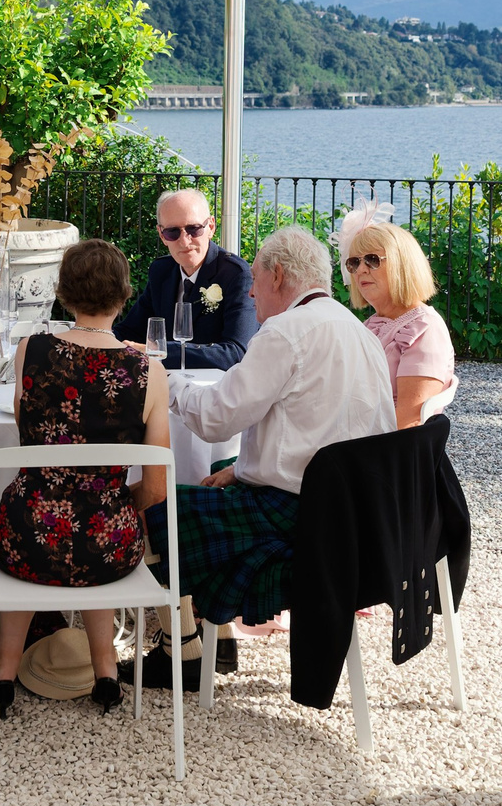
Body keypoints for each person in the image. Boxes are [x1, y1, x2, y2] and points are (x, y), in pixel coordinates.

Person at [138, 225, 388, 688]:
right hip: (355, 516)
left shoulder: (285, 333)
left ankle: (183, 650)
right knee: (215, 472)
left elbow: (215, 419)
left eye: (255, 279)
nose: (250, 291)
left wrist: (161, 378)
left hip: (299, 518)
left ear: (276, 275)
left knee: (152, 504)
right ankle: (216, 637)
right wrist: (240, 469)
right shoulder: (359, 331)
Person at [0, 240, 171, 718]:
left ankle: (4, 673)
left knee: (36, 516)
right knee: (97, 521)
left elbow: (25, 429)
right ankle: (105, 672)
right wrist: (109, 500)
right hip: (105, 546)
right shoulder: (148, 369)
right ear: (125, 295)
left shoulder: (33, 349)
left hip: (28, 538)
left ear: (64, 295)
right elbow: (155, 488)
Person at [114, 188, 257, 370]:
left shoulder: (235, 275)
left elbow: (236, 352)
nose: (184, 240)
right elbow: (129, 330)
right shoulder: (161, 271)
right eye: (172, 232)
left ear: (210, 227)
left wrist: (159, 352)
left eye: (193, 229)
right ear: (161, 235)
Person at [338, 217, 457, 428]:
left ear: (402, 265)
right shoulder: (371, 325)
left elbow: (408, 420)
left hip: (386, 451)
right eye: (354, 263)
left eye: (372, 260)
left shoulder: (424, 329)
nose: (361, 270)